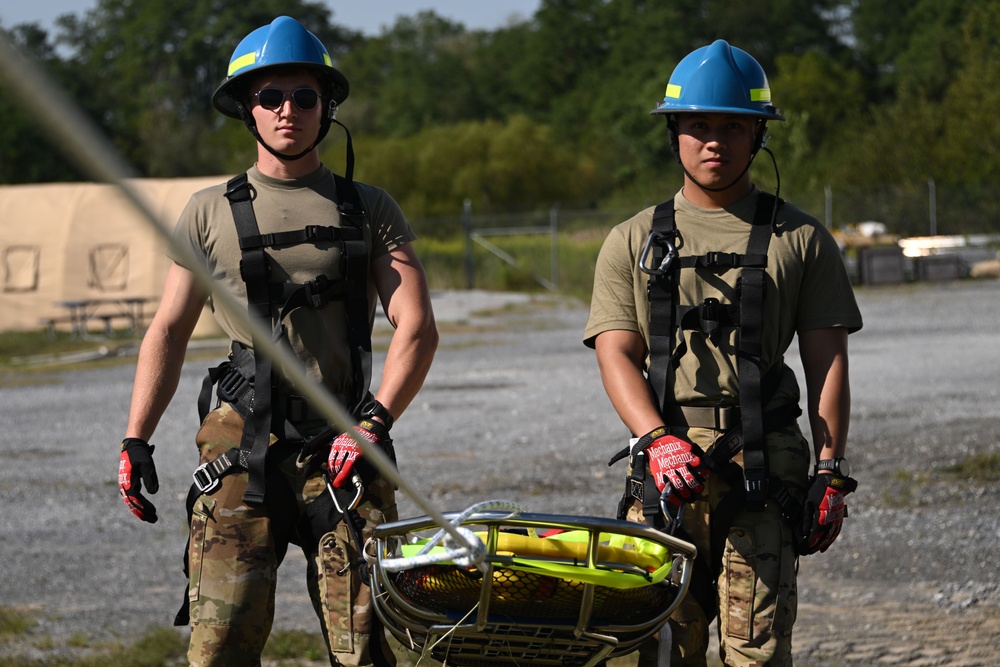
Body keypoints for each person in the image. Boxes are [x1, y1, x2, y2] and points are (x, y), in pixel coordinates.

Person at [116, 16, 438, 667]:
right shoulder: (208, 211)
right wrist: (135, 436)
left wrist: (374, 422)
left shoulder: (370, 208)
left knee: (376, 645)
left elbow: (418, 325)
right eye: (270, 96)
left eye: (304, 96)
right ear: (247, 109)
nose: (287, 109)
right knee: (220, 646)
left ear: (327, 107)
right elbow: (169, 330)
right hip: (241, 442)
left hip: (347, 442)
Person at [584, 40, 862, 666]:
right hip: (664, 473)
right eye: (699, 125)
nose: (715, 141)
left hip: (763, 470)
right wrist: (656, 439)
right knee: (653, 652)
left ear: (759, 133)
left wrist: (829, 471)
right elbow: (615, 353)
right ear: (675, 132)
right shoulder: (631, 239)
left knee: (756, 654)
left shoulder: (802, 239)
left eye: (734, 126)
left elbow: (828, 365)